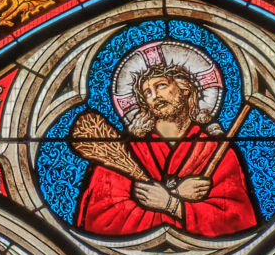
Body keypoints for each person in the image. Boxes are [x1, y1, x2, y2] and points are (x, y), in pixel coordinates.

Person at [68, 62, 263, 238]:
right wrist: (176, 196)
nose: (154, 96)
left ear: (186, 89)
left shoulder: (217, 151)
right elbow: (103, 221)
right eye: (147, 93)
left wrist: (171, 204)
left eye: (161, 85)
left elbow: (237, 220)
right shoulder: (122, 151)